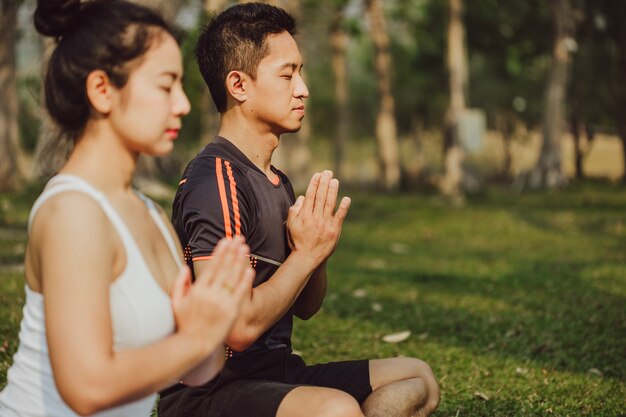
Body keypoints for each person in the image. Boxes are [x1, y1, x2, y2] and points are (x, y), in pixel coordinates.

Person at [158, 3, 440, 417]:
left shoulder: (277, 181)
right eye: (288, 75)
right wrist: (305, 254)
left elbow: (306, 307)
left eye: (300, 73)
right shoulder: (215, 180)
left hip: (275, 374)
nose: (303, 88)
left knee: (418, 379)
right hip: (208, 392)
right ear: (239, 85)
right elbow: (237, 330)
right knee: (335, 410)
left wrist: (317, 249)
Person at [0, 1, 254, 416]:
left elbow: (196, 369)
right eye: (165, 85)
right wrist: (194, 337)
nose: (183, 105)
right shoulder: (72, 212)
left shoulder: (151, 216)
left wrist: (211, 320)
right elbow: (86, 387)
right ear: (102, 90)